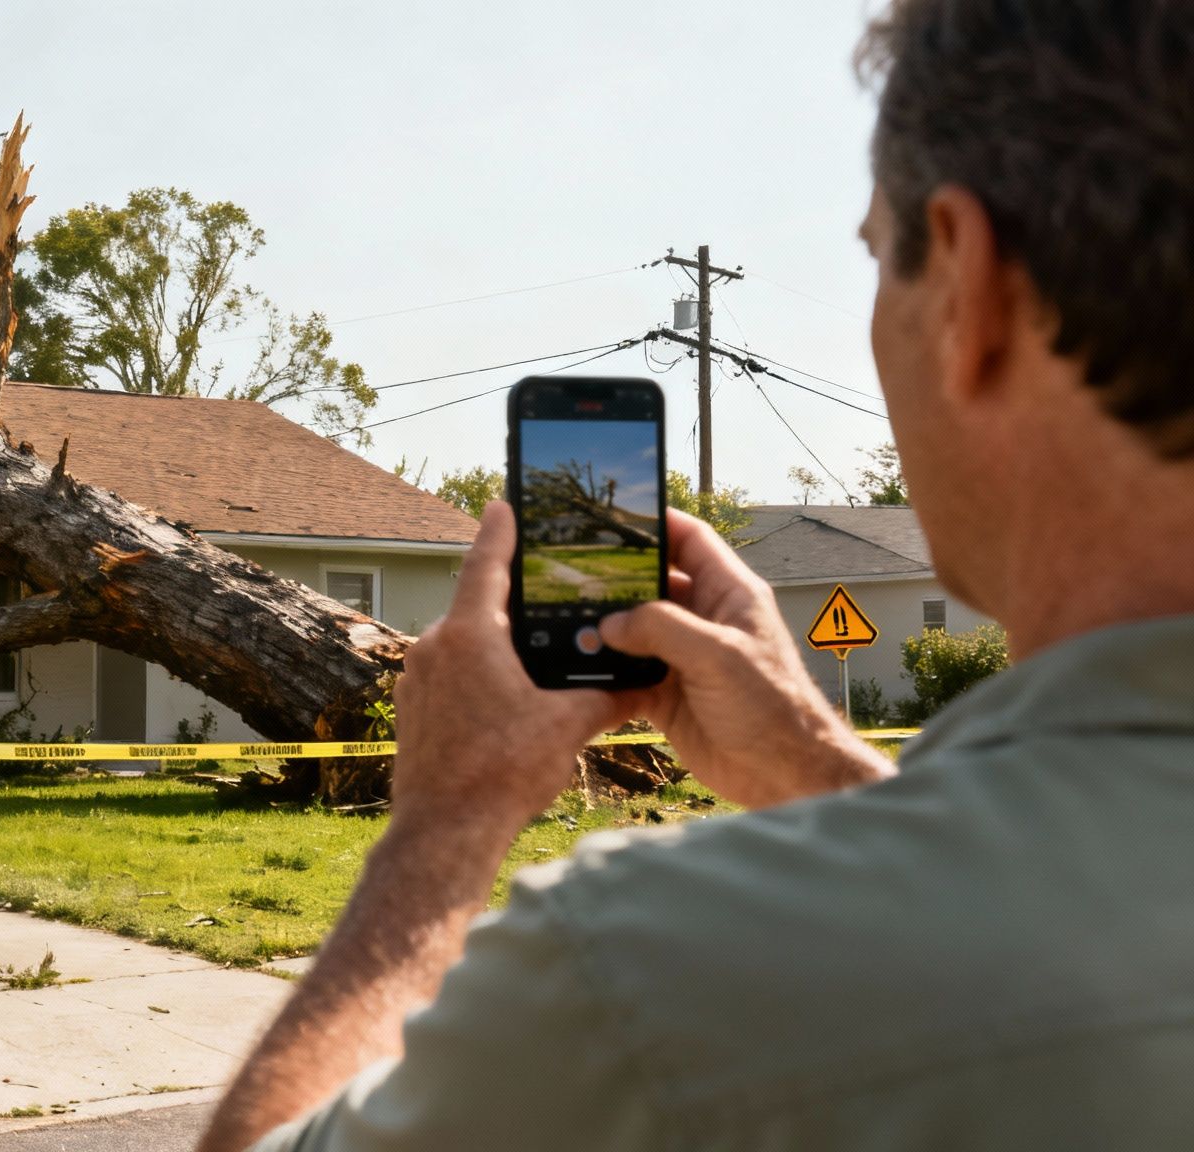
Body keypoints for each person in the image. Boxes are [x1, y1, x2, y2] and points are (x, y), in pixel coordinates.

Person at [197, 0, 1194, 1147]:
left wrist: (445, 820)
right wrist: (815, 765)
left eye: (879, 255)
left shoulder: (642, 982)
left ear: (967, 283)